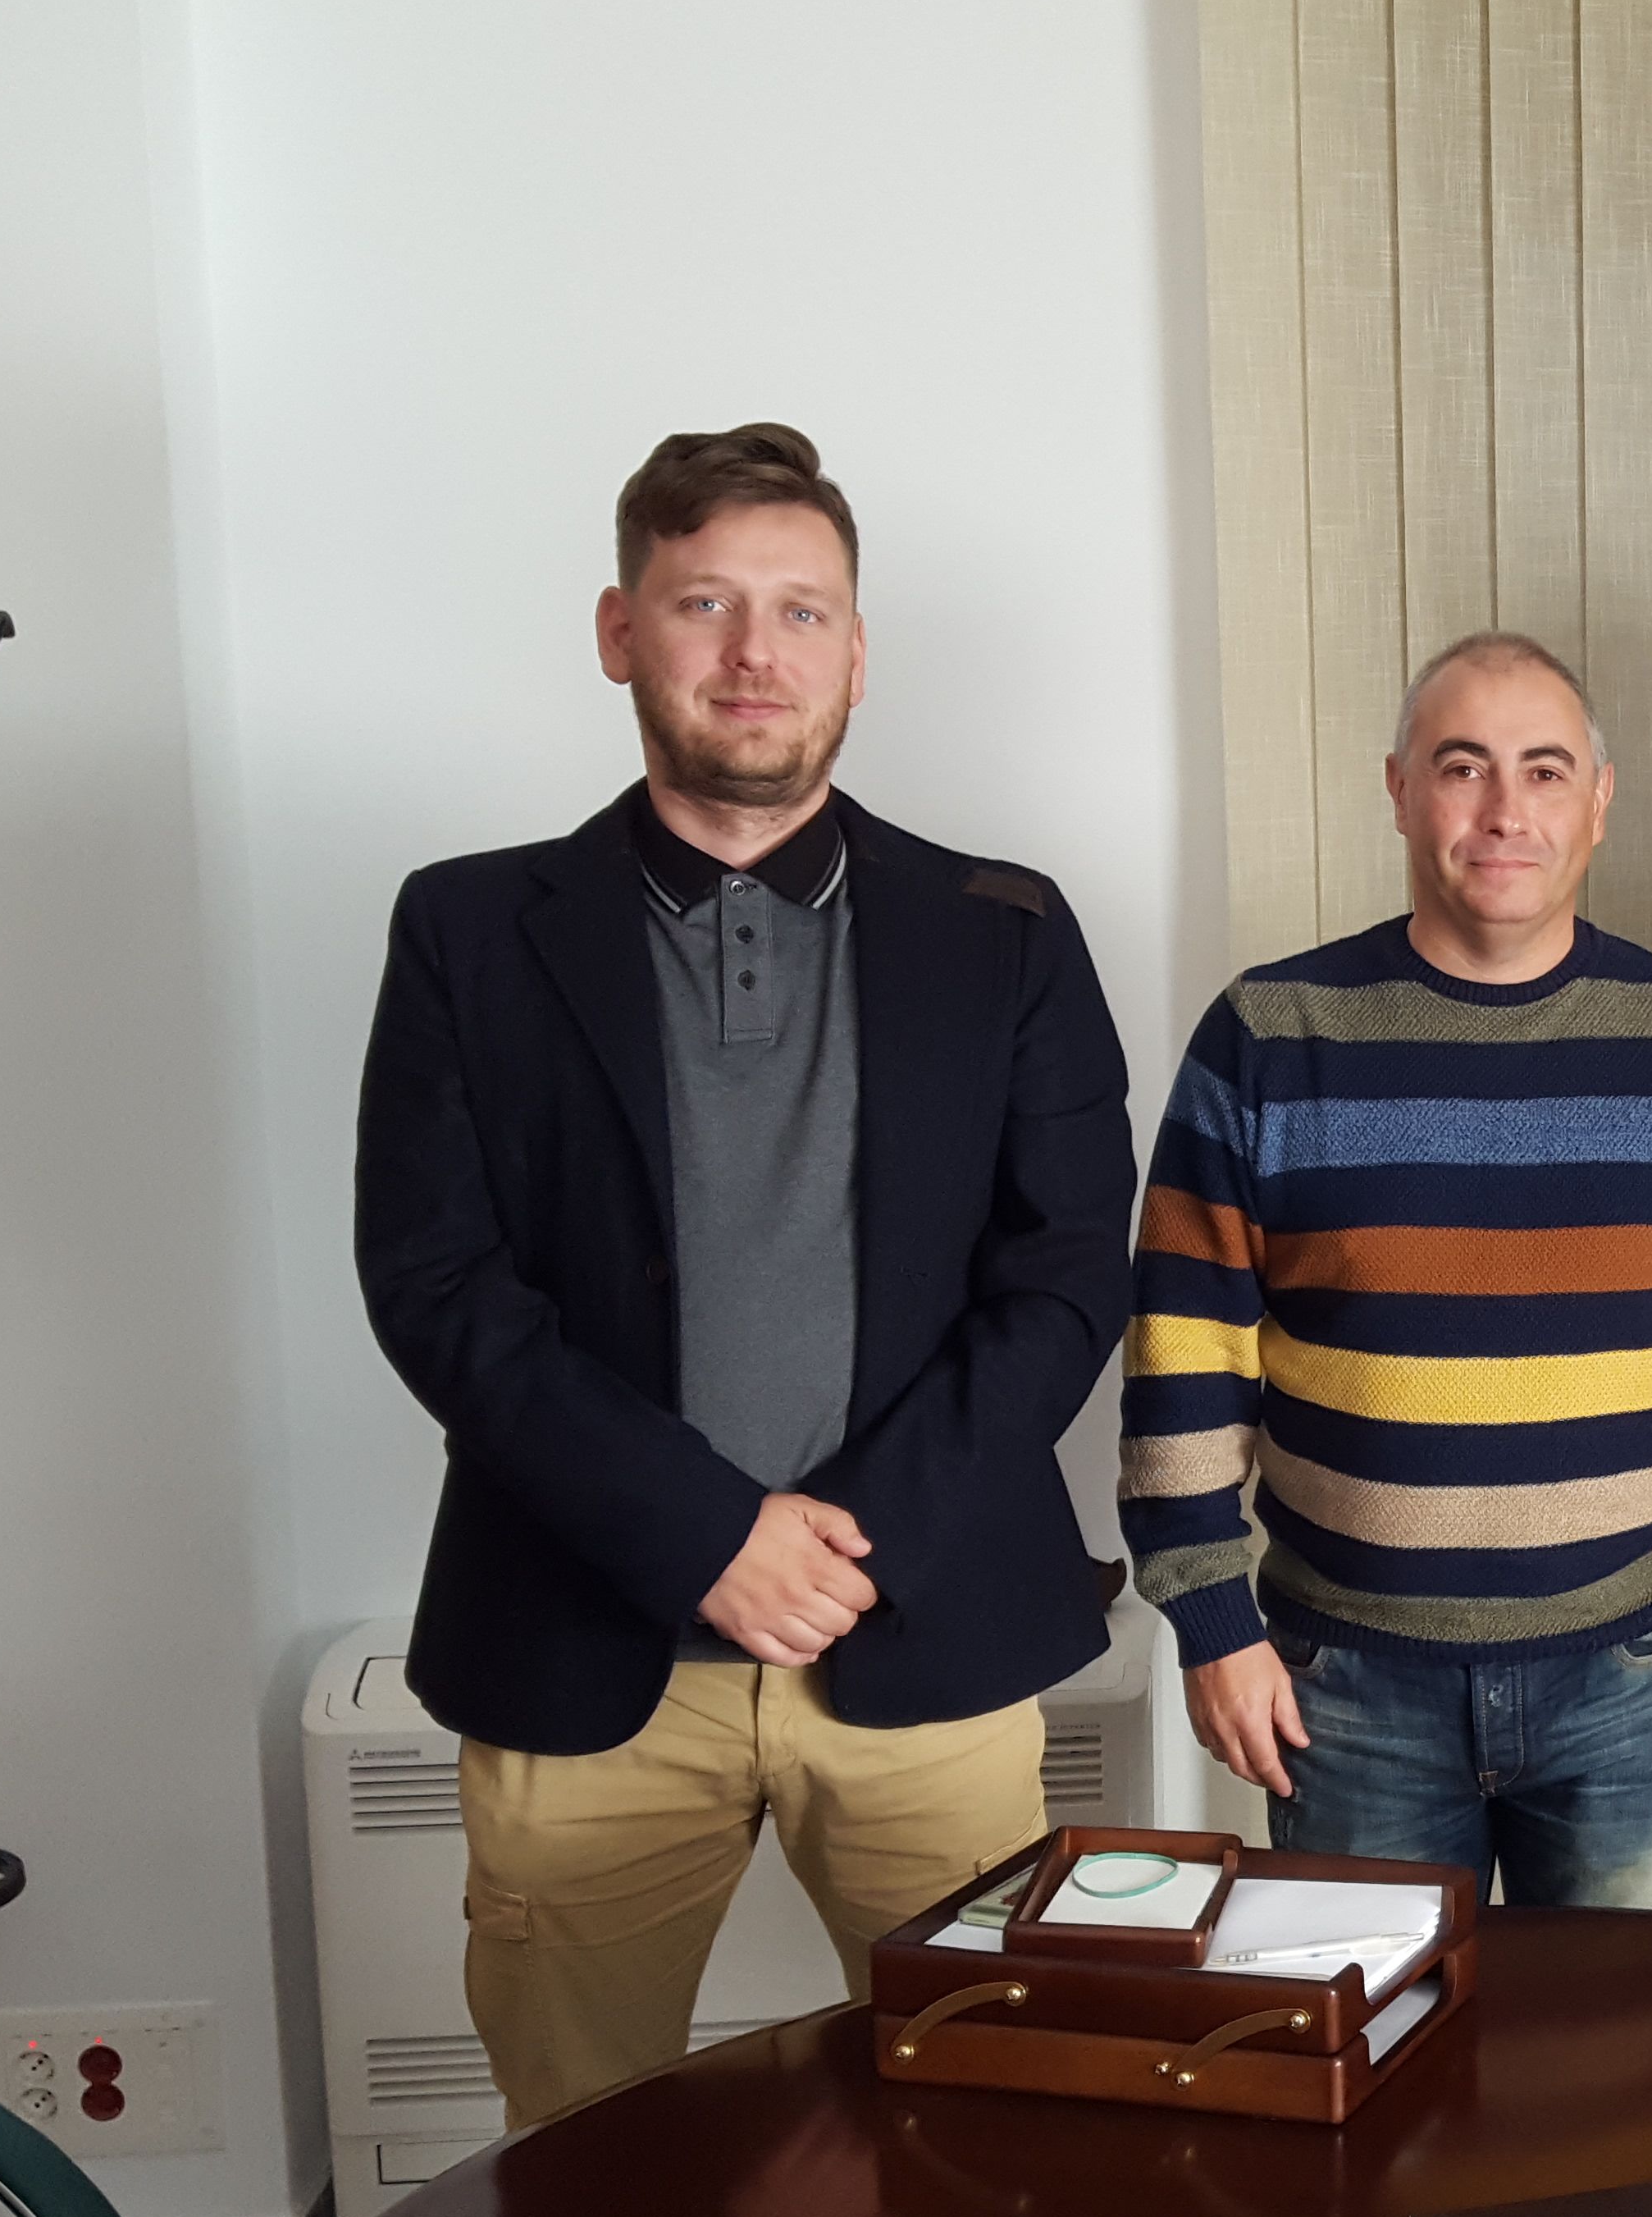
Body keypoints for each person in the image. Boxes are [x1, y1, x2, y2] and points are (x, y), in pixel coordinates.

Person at [357, 423, 1134, 2128]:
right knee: (578, 2161)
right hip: (580, 1656)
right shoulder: (470, 932)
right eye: (703, 602)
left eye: (799, 611)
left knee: (1013, 2136)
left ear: (857, 651)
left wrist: (842, 1548)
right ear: (619, 630)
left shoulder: (1006, 931)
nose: (751, 653)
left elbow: (1070, 1276)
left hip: (922, 1643)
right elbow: (435, 1283)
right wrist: (706, 1534)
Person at [1122, 630, 1652, 1906]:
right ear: (1399, 787)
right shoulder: (1269, 1038)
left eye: (1546, 770)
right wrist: (1212, 1623)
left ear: (1599, 803)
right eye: (1464, 767)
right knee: (1373, 2067)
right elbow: (1185, 1359)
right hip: (1342, 1687)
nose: (1506, 811)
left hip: (1631, 1682)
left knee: (1622, 2074)